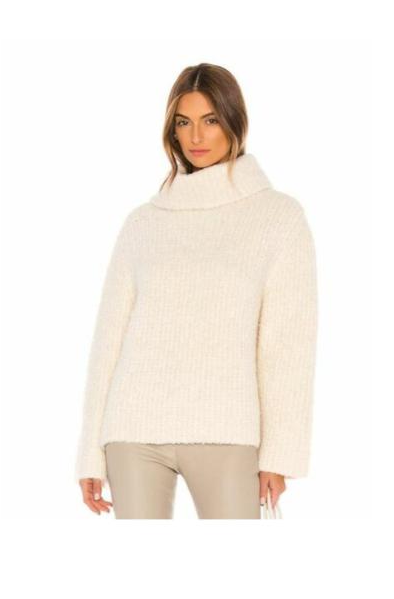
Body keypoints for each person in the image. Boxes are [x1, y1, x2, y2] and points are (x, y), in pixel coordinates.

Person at [74, 63, 318, 519]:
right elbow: (108, 342)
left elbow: (287, 346)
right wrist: (90, 453)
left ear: (235, 122)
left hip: (227, 430)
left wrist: (279, 456)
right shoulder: (143, 222)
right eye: (183, 122)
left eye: (210, 120)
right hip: (133, 429)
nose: (196, 137)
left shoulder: (278, 217)